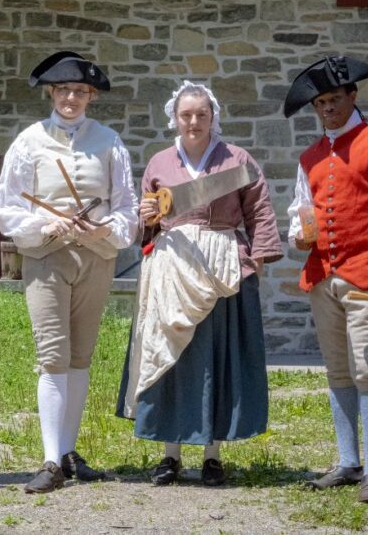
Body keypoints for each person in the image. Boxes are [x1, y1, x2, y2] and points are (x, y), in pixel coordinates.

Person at [117, 80, 282, 487]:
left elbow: (259, 211)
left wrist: (258, 258)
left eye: (201, 115)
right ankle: (169, 453)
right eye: (186, 115)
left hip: (223, 265)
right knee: (170, 355)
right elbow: (147, 223)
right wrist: (147, 217)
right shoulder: (159, 163)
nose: (193, 122)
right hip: (172, 267)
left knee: (216, 357)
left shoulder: (237, 159)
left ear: (213, 117)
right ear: (174, 117)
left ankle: (212, 455)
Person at [0, 51, 138, 494]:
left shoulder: (110, 142)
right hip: (47, 259)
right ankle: (50, 459)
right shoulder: (29, 141)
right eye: (63, 91)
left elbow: (128, 208)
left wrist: (103, 228)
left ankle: (69, 450)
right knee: (53, 356)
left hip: (95, 258)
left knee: (80, 357)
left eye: (79, 91)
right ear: (51, 94)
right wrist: (46, 223)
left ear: (90, 95)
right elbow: (9, 207)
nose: (71, 98)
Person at [284, 56, 368, 504]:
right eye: (320, 102)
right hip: (323, 277)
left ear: (353, 97)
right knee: (338, 370)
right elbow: (301, 209)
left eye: (334, 99)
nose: (327, 108)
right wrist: (298, 235)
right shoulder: (310, 157)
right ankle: (347, 462)